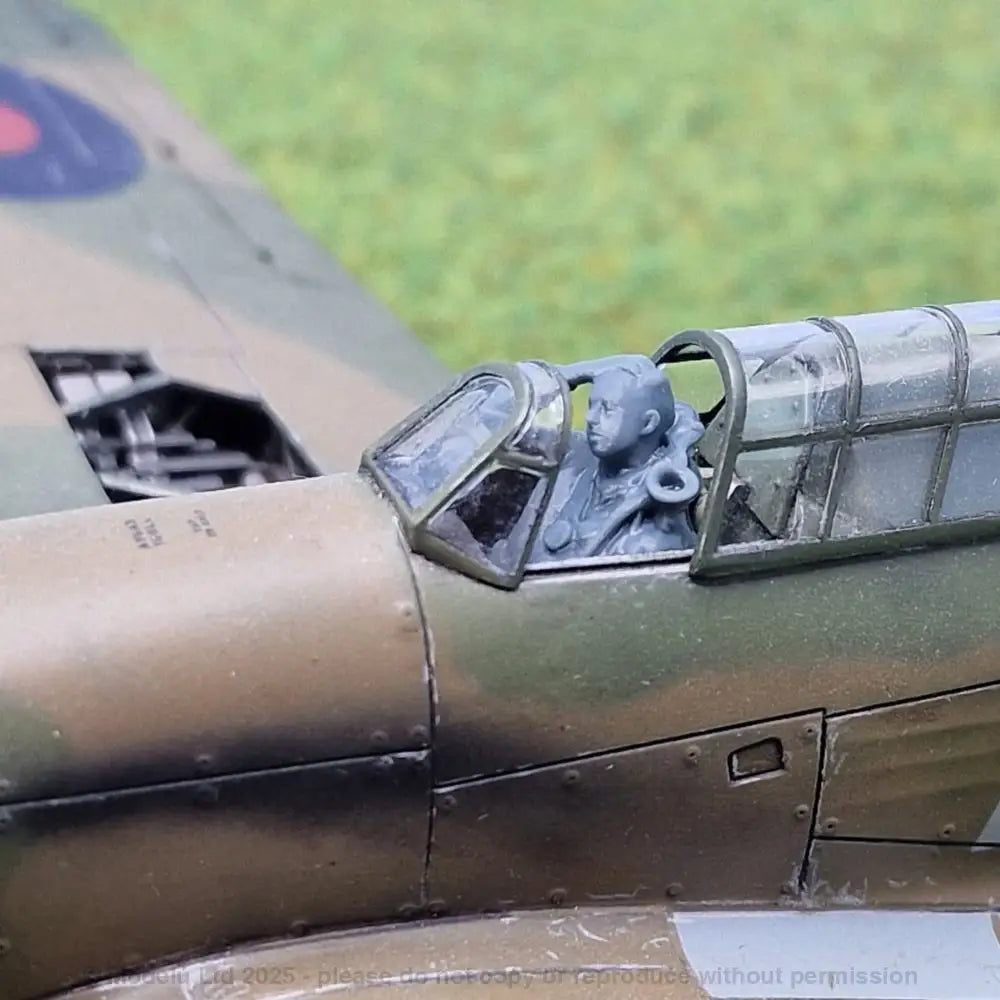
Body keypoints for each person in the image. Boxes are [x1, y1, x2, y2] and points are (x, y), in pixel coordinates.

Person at [532, 355, 704, 561]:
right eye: (591, 405)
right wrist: (563, 375)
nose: (590, 418)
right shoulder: (575, 454)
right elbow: (495, 420)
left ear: (648, 423)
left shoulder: (649, 538)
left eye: (607, 409)